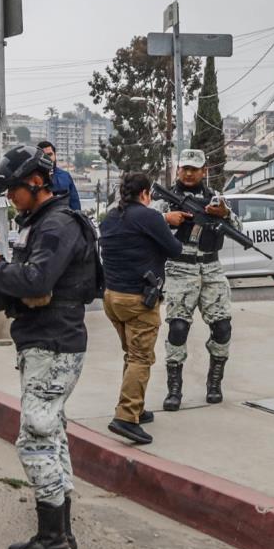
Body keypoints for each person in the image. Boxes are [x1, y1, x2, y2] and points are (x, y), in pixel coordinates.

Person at [0, 144, 99, 549]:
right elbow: (28, 281)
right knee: (52, 433)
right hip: (46, 341)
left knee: (36, 438)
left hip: (53, 342)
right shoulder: (44, 223)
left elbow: (37, 280)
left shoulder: (57, 225)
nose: (10, 199)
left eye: (14, 190)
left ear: (36, 183)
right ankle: (57, 535)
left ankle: (54, 543)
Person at [99, 172, 183, 445]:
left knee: (131, 354)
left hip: (112, 297)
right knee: (140, 358)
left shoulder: (111, 217)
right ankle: (125, 417)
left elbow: (134, 237)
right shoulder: (149, 217)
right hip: (139, 300)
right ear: (145, 193)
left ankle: (136, 406)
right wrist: (169, 223)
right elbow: (175, 249)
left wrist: (162, 222)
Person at [157, 149, 239, 410]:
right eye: (185, 168)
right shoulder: (165, 201)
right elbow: (145, 226)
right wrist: (166, 219)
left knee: (223, 328)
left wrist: (224, 214)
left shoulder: (216, 200)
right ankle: (174, 391)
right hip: (180, 269)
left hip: (211, 269)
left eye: (195, 168)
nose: (189, 173)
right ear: (178, 170)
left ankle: (214, 384)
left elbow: (238, 230)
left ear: (205, 171)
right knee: (178, 329)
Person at [37, 140, 81, 211]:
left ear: (55, 155)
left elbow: (75, 205)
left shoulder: (65, 176)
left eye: (50, 154)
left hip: (64, 219)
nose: (47, 158)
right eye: (44, 156)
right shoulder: (33, 179)